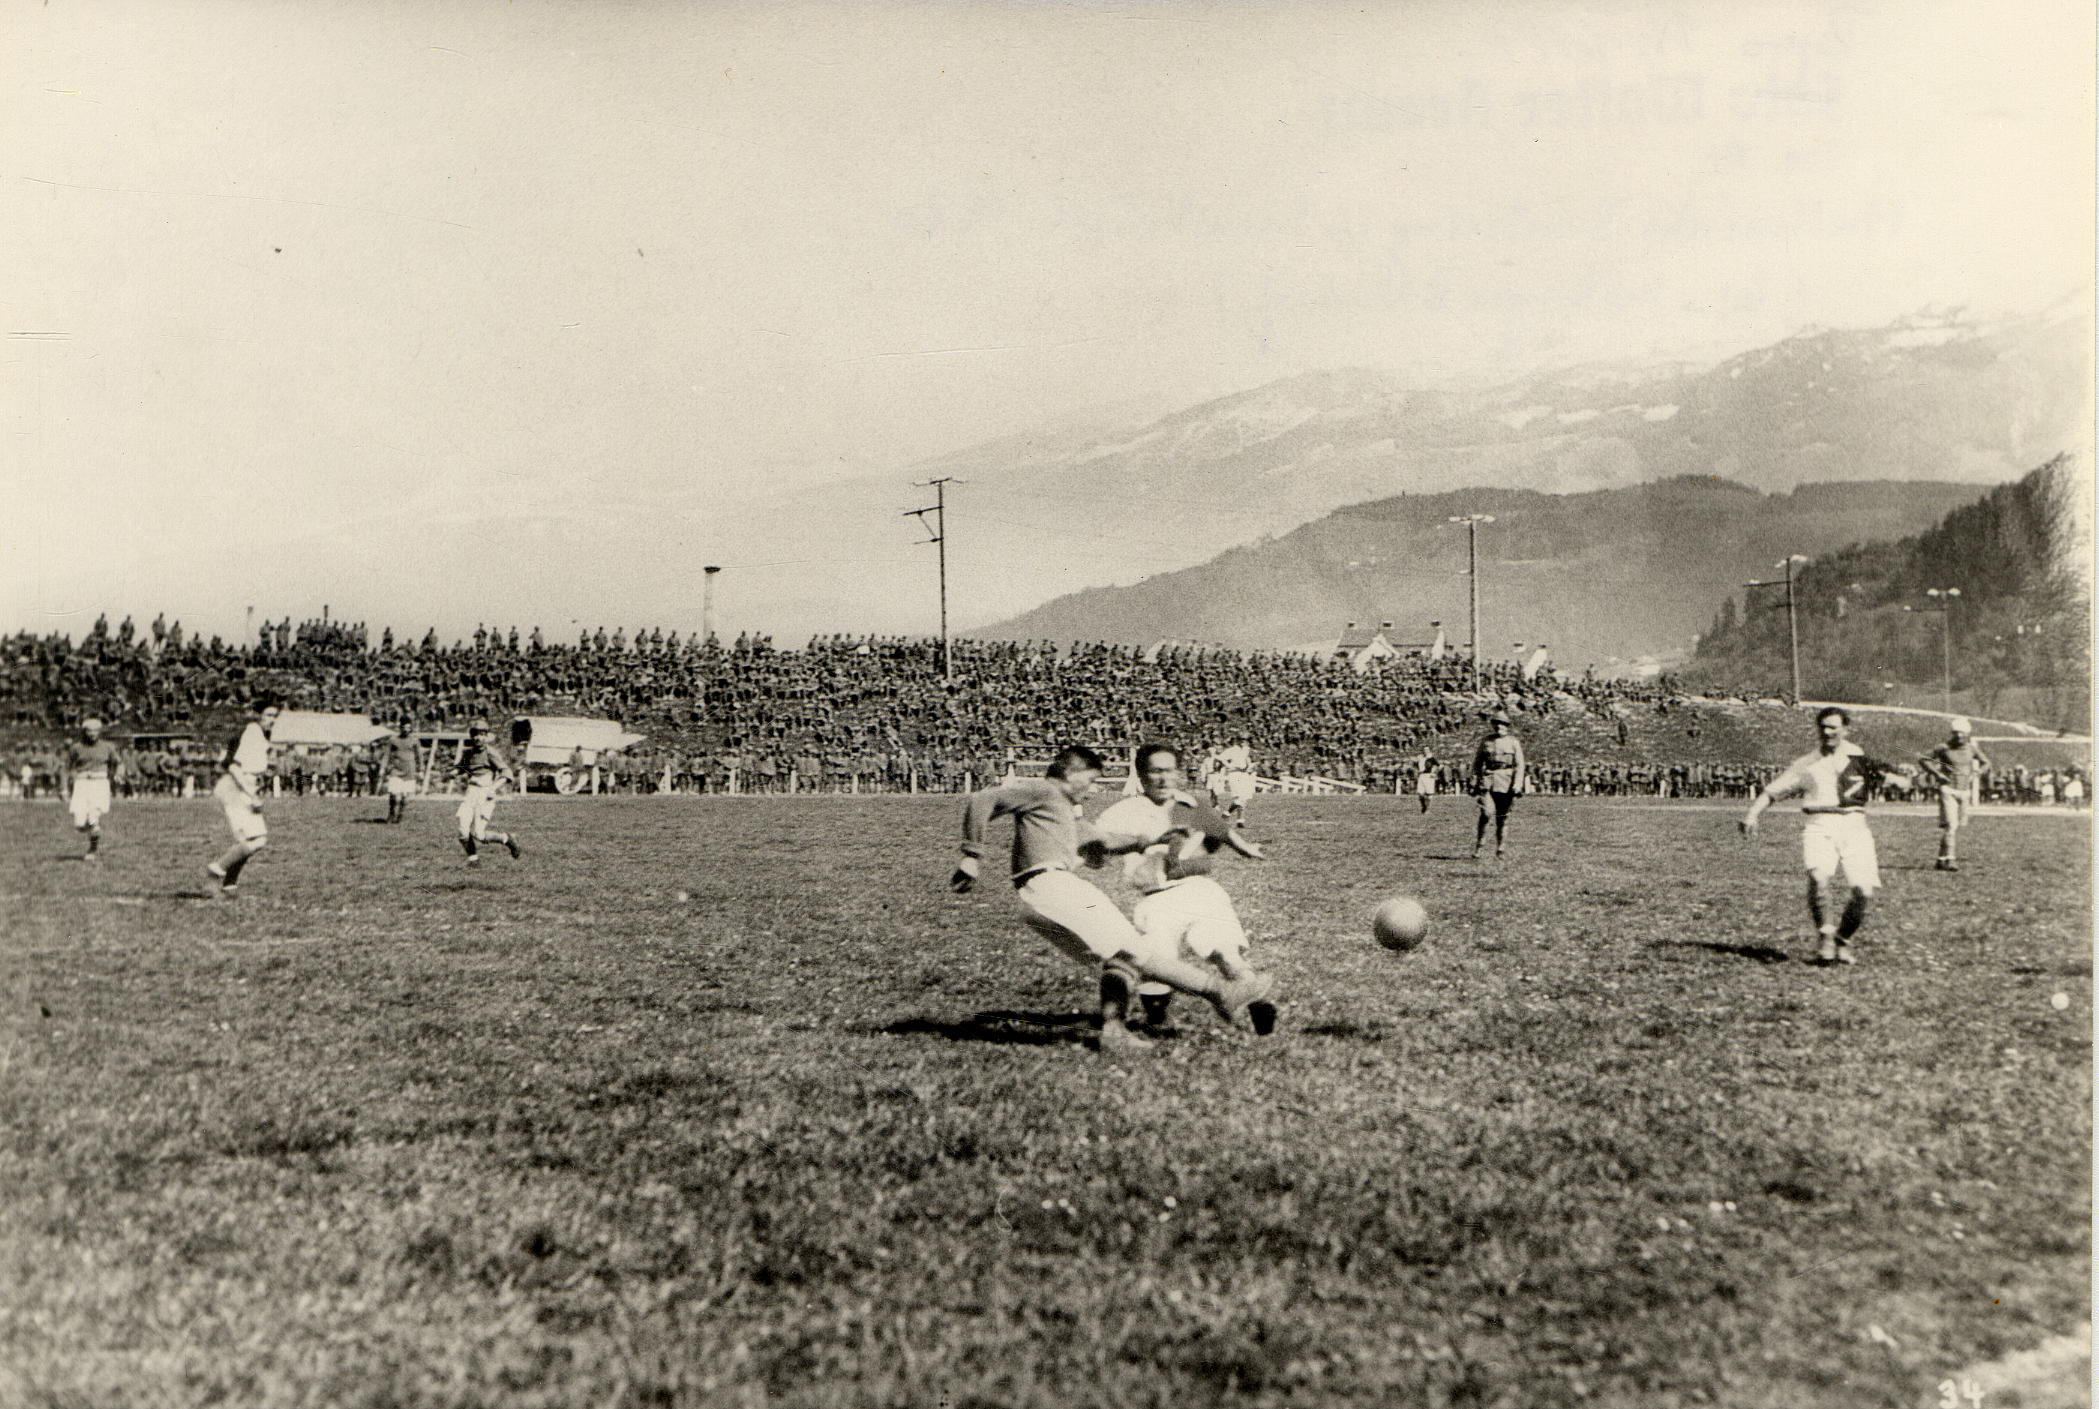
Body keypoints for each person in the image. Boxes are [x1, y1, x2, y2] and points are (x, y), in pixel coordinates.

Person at [950, 744, 1272, 1056]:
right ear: (1073, 773)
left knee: (1122, 958)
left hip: (1041, 891)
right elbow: (984, 799)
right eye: (1090, 781)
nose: (1090, 791)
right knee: (1133, 950)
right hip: (1052, 884)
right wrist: (971, 856)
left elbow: (1100, 839)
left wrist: (1145, 841)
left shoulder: (1060, 807)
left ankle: (1114, 1032)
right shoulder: (1044, 790)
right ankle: (1220, 992)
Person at [1093, 743, 1277, 1037]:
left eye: (1169, 771)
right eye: (1155, 771)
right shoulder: (1123, 811)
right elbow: (1098, 844)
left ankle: (1257, 1005)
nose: (1163, 779)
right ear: (1140, 775)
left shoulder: (1188, 805)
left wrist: (1246, 848)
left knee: (1225, 950)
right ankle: (1158, 1018)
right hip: (1157, 898)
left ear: (1179, 774)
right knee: (1159, 961)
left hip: (1201, 890)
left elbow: (1222, 829)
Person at [1740, 706, 1896, 965]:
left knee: (1863, 891)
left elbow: (1888, 776)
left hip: (1855, 826)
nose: (1827, 732)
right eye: (1823, 727)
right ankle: (1825, 934)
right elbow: (1772, 792)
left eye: (1833, 727)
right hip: (1819, 824)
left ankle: (1842, 939)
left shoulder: (1859, 757)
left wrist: (1900, 780)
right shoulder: (1806, 763)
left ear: (1845, 729)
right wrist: (1751, 815)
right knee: (1817, 876)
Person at [207, 699, 280, 897]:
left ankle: (230, 884)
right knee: (256, 840)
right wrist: (251, 792)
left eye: (275, 716)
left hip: (243, 786)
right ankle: (216, 871)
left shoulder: (260, 734)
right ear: (258, 714)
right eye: (268, 715)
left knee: (251, 840)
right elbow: (233, 766)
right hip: (235, 787)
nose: (272, 720)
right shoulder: (252, 731)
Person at [1914, 717, 1991, 872]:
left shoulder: (1971, 749)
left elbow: (1987, 763)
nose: (1959, 736)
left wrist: (1977, 772)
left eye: (1962, 733)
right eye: (1956, 733)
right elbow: (1923, 759)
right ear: (1952, 733)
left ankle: (1940, 859)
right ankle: (1951, 859)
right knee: (1951, 825)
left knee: (1954, 827)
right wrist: (1936, 773)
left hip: (1964, 791)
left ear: (1967, 734)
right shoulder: (1944, 747)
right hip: (1948, 789)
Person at [455, 723, 522, 865]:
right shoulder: (469, 753)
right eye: (475, 734)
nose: (478, 738)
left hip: (484, 794)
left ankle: (507, 838)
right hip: (470, 793)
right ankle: (473, 860)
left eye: (481, 734)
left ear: (486, 736)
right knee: (462, 831)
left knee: (479, 834)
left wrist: (493, 787)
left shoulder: (490, 753)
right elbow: (462, 767)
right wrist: (453, 772)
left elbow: (506, 772)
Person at [61, 717, 123, 860]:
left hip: (99, 784)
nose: (92, 734)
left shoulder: (108, 747)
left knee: (93, 818)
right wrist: (64, 788)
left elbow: (119, 763)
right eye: (89, 731)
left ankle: (92, 849)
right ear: (84, 732)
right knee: (79, 824)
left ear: (99, 732)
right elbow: (65, 768)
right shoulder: (76, 748)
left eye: (95, 731)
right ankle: (92, 830)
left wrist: (119, 773)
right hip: (82, 784)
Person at [1470, 711, 1528, 859]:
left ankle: (1500, 849)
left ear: (1507, 726)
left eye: (1502, 724)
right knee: (1486, 813)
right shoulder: (1486, 742)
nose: (1499, 727)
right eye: (1496, 723)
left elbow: (1520, 765)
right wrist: (1474, 780)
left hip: (1507, 783)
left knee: (1502, 817)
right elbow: (1477, 763)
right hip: (1488, 780)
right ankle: (1480, 845)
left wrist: (1517, 784)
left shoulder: (1514, 742)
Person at [382, 725, 421, 824]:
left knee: (405, 795)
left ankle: (400, 815)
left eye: (408, 727)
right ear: (400, 727)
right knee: (393, 793)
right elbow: (386, 754)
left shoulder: (414, 740)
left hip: (409, 770)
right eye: (404, 727)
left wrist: (421, 770)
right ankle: (391, 813)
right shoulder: (393, 740)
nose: (406, 729)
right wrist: (383, 768)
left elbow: (419, 756)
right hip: (396, 769)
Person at [1411, 748, 1438, 815]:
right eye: (1424, 750)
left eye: (1427, 750)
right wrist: (1416, 770)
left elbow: (1437, 766)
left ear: (1429, 751)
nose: (1425, 751)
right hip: (1421, 775)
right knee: (1420, 793)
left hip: (1429, 776)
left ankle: (1427, 809)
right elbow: (1414, 765)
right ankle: (1423, 806)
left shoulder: (1431, 758)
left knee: (1429, 793)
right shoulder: (1420, 758)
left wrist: (1433, 772)